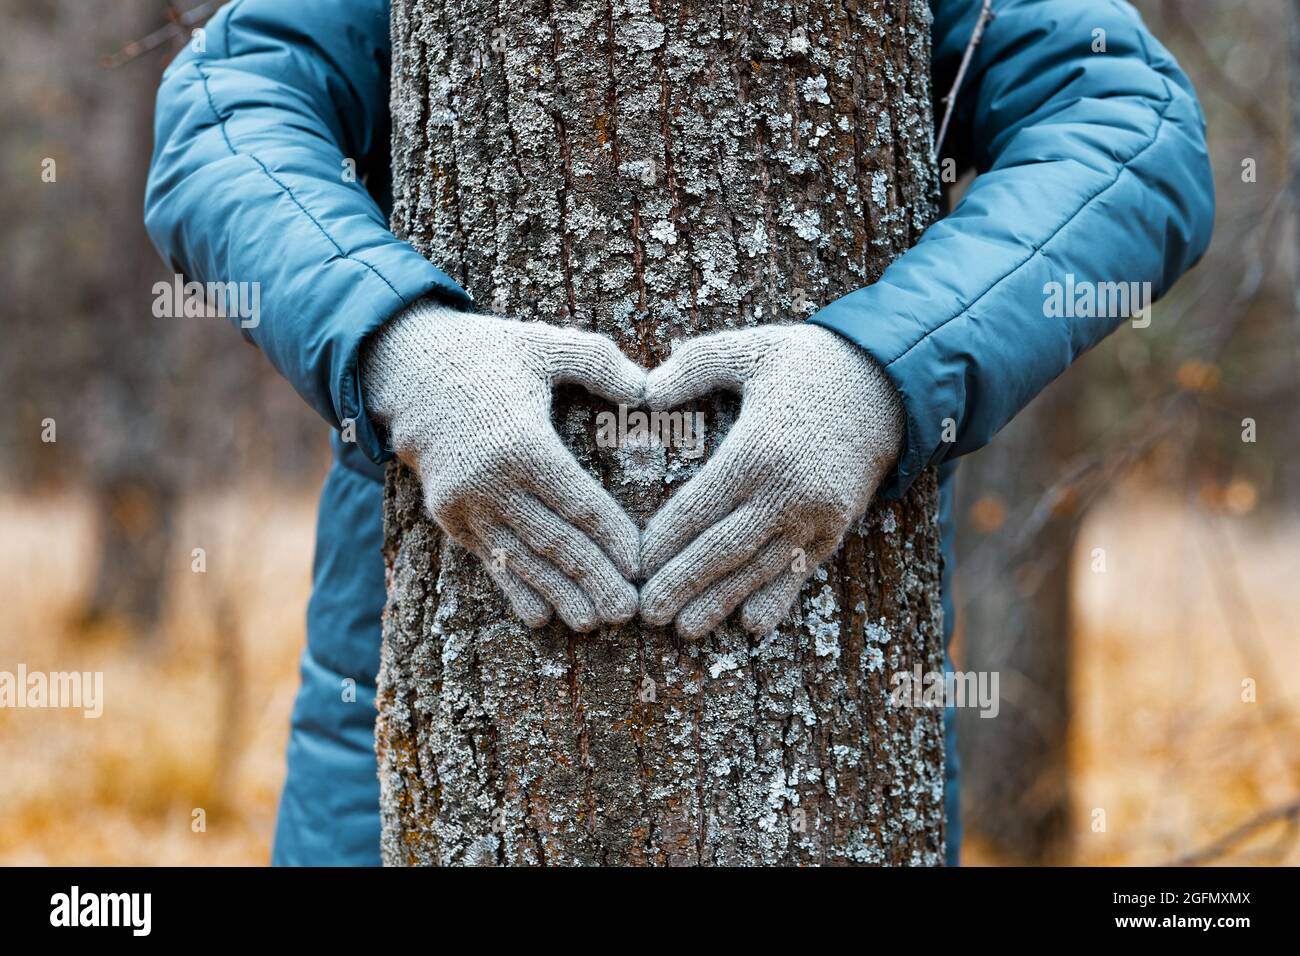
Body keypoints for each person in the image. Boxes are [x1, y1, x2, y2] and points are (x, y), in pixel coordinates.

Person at [144, 0, 1214, 866]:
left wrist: (884, 368)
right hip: (391, 749)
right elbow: (223, 109)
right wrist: (395, 341)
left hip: (832, 733)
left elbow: (1130, 123)